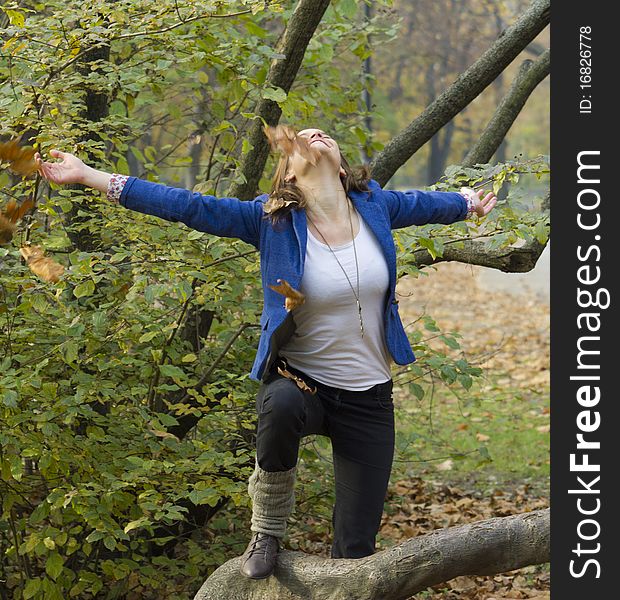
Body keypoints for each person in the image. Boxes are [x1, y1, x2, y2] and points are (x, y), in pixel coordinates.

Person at [35, 127, 496, 580]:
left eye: (322, 135)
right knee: (280, 405)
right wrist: (90, 176)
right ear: (288, 175)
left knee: (356, 550)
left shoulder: (374, 204)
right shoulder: (271, 221)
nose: (313, 136)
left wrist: (466, 202)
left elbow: (424, 204)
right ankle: (267, 531)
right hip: (303, 383)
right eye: (300, 140)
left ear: (340, 162)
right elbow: (188, 206)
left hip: (369, 398)